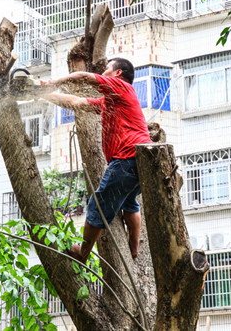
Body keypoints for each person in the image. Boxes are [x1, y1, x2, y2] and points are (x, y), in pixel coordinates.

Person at [41, 58, 151, 263]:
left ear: (118, 73)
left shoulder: (121, 86)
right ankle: (134, 250)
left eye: (107, 68)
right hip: (139, 161)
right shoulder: (112, 100)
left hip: (125, 159)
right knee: (129, 202)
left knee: (97, 205)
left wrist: (52, 82)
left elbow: (83, 77)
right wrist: (43, 95)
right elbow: (76, 103)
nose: (103, 72)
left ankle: (82, 253)